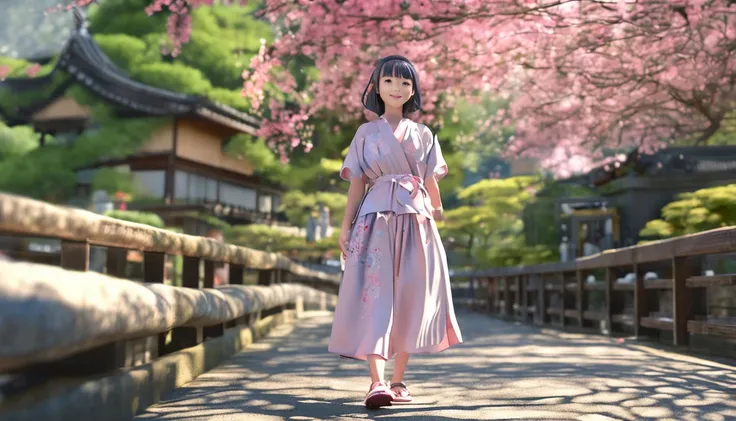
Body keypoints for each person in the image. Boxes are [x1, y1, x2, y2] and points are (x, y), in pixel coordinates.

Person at [327, 55, 463, 408]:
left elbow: (430, 177)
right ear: (376, 86)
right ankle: (377, 382)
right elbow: (357, 183)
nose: (397, 88)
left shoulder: (424, 133)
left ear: (413, 89)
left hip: (416, 220)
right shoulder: (365, 133)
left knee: (410, 297)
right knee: (375, 297)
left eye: (405, 83)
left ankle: (399, 380)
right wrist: (346, 227)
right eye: (389, 81)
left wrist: (435, 206)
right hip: (375, 221)